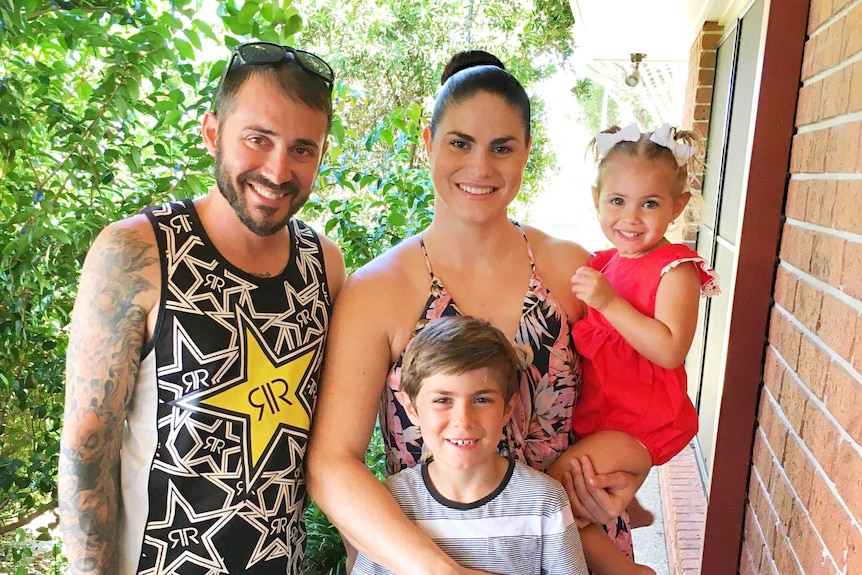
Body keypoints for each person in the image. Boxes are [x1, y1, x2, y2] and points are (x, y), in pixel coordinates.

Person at [307, 53, 640, 575]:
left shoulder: (569, 269)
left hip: (574, 544)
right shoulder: (378, 291)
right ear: (428, 143)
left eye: (502, 148)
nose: (480, 168)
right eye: (460, 143)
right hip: (430, 555)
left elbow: (636, 397)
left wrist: (631, 469)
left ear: (527, 152)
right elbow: (332, 466)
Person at [58, 41, 346, 575]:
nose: (278, 170)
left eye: (302, 149)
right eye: (257, 139)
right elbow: (86, 447)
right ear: (213, 131)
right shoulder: (138, 251)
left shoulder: (323, 264)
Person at [547, 122, 719, 575]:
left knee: (554, 494)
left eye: (650, 204)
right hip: (606, 414)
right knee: (573, 492)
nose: (631, 217)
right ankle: (635, 507)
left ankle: (628, 572)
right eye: (617, 201)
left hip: (639, 421)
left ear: (677, 206)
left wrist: (609, 302)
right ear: (596, 199)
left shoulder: (674, 268)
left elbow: (669, 350)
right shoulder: (607, 262)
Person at [350, 316, 588, 575]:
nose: (463, 420)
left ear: (508, 408)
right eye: (442, 400)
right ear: (412, 408)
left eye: (482, 399)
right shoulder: (389, 502)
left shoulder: (544, 502)